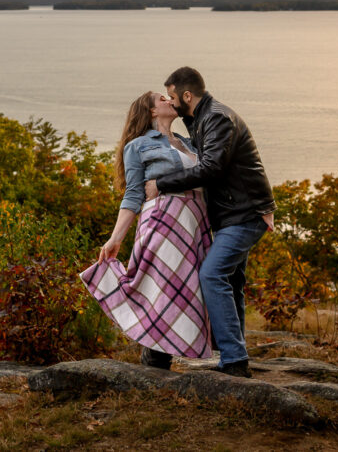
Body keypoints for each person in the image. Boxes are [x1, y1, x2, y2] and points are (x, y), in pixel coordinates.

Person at [146, 66, 274, 378]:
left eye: (173, 96)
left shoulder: (216, 118)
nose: (171, 102)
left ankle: (234, 359)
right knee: (232, 282)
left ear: (187, 95)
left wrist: (161, 184)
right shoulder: (201, 120)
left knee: (212, 274)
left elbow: (211, 168)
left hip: (244, 215)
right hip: (235, 215)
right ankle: (235, 353)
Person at [79, 90, 213, 369]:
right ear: (152, 111)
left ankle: (165, 358)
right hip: (162, 222)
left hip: (193, 224)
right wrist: (115, 238)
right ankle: (154, 365)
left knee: (189, 289)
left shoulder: (190, 142)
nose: (170, 100)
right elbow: (133, 195)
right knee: (160, 289)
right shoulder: (138, 146)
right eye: (162, 99)